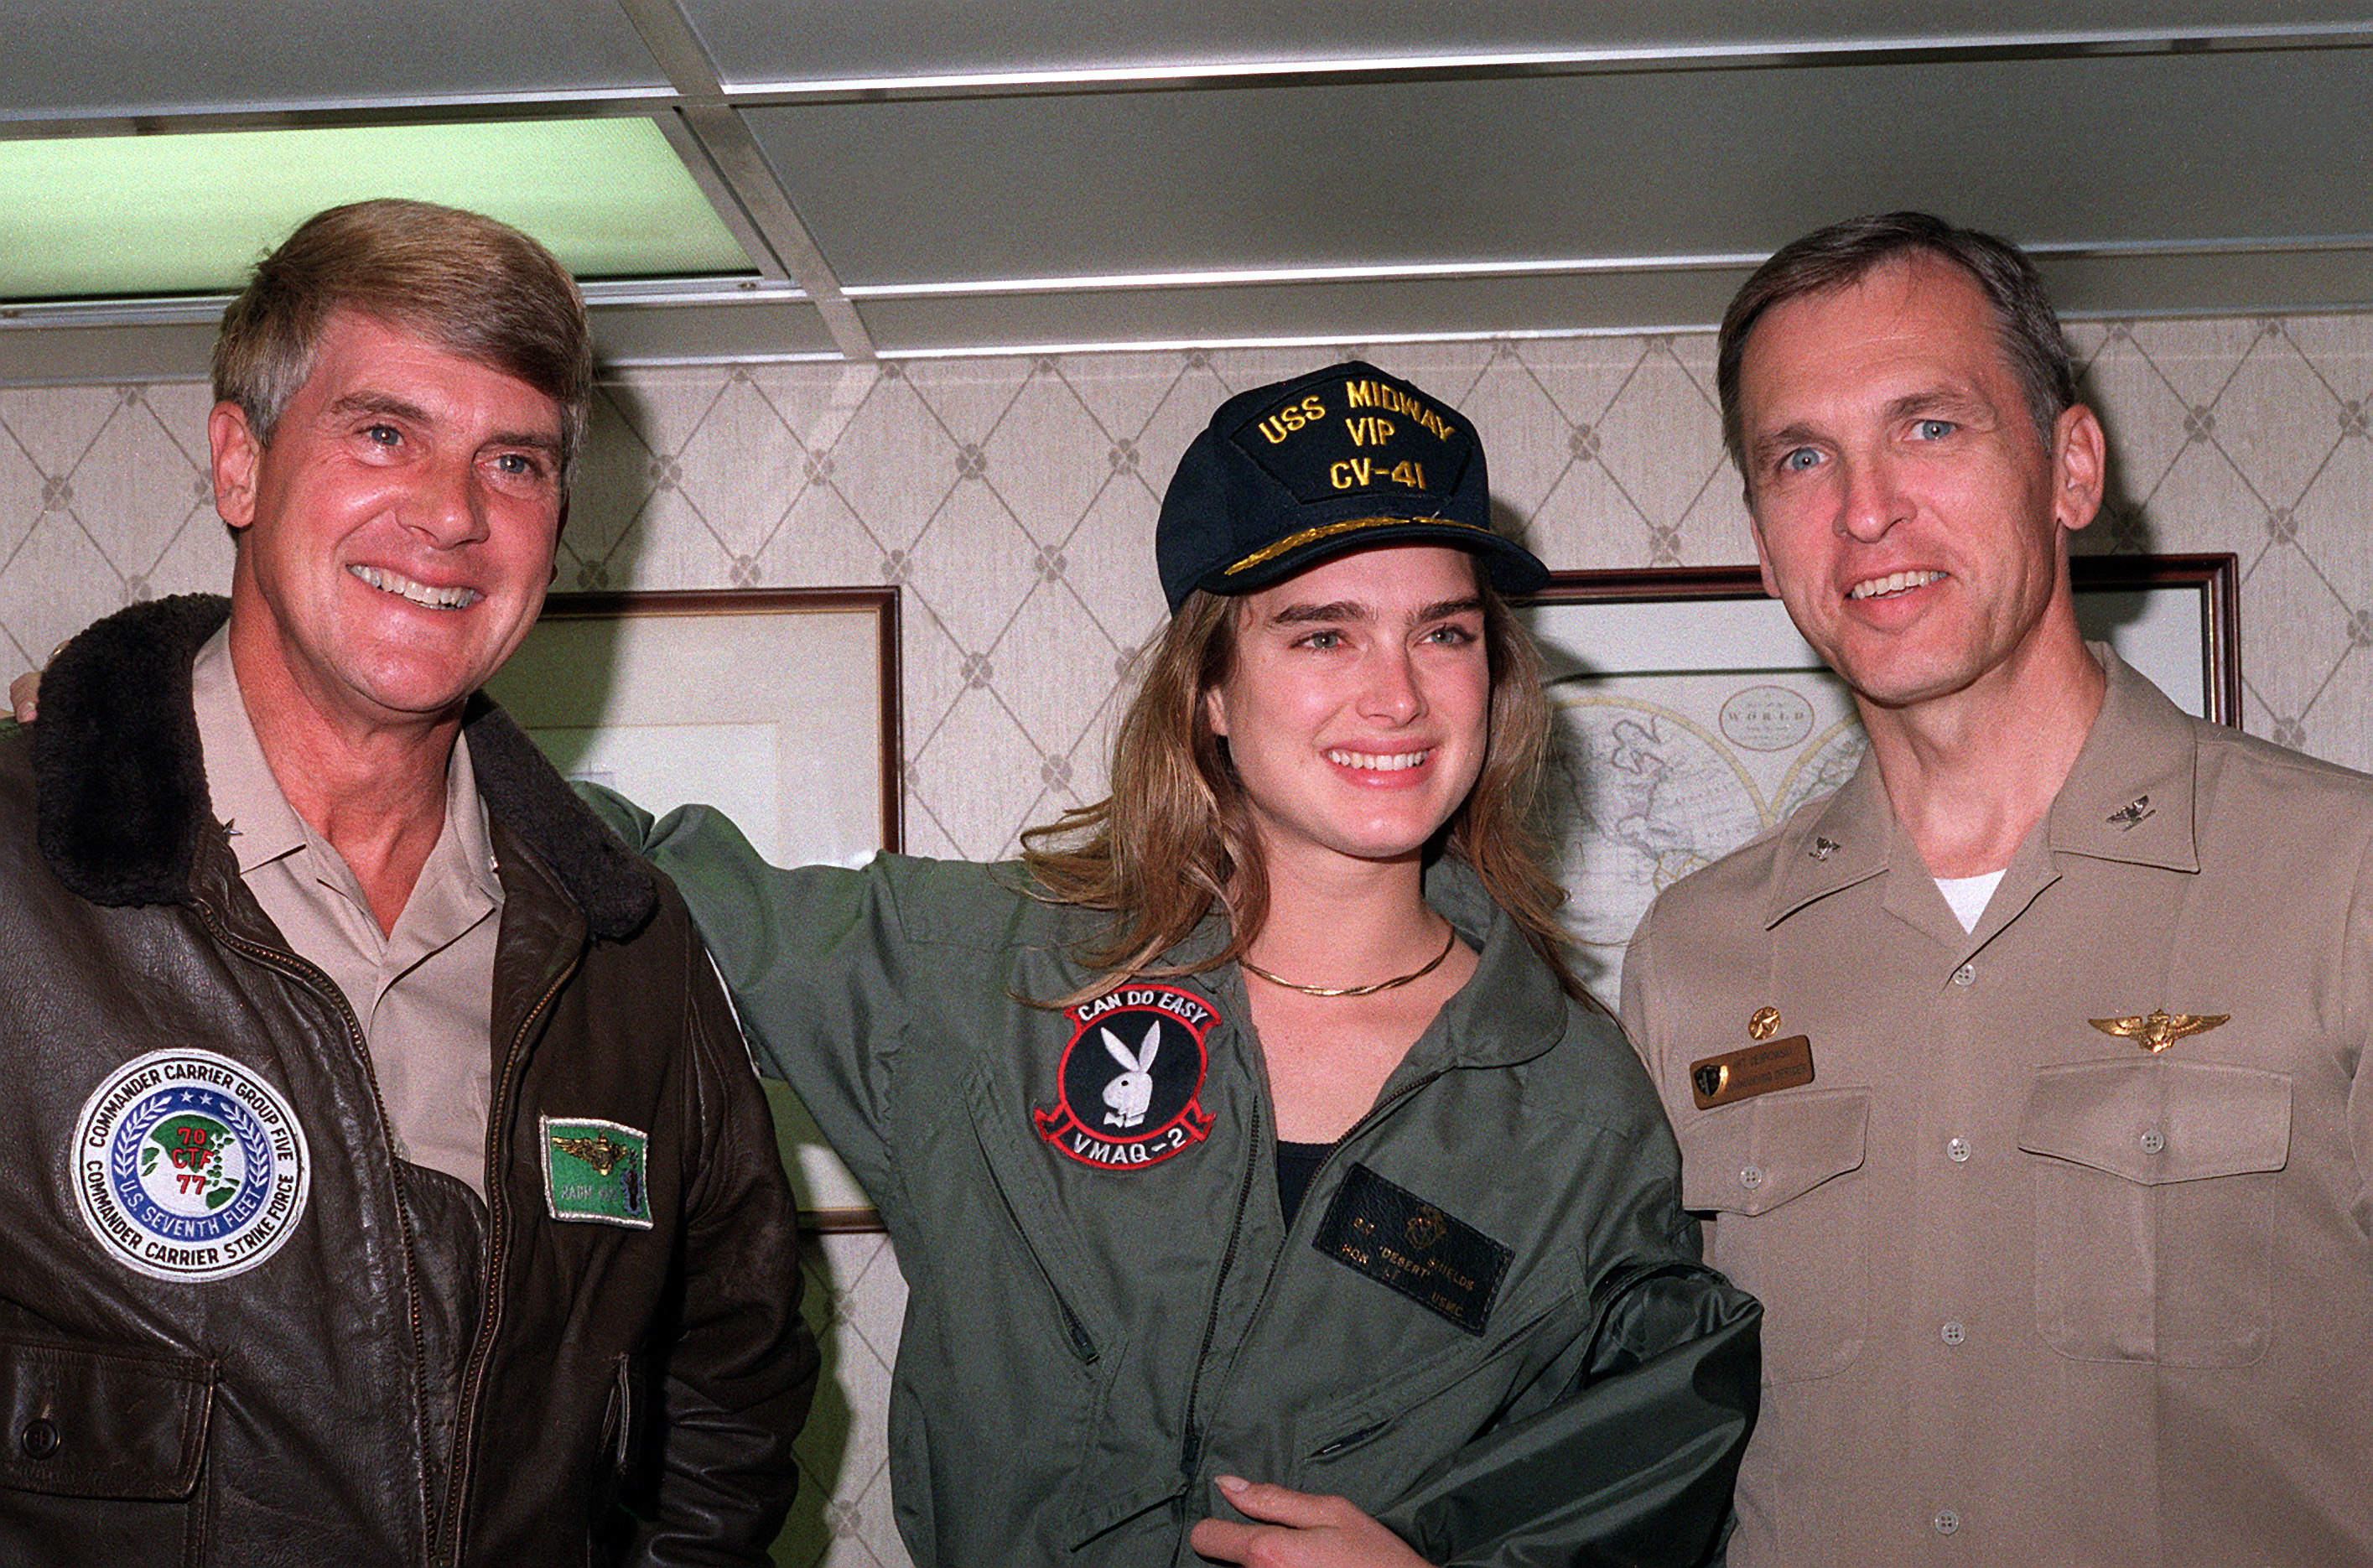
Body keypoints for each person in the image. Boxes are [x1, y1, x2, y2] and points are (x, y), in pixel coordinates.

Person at [591, 361, 1761, 1565]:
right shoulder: (981, 975)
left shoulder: (1572, 1100)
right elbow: (612, 886)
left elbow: (1652, 1455)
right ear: (1208, 687)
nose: (1398, 694)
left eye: (1443, 632)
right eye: (1322, 632)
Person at [0, 199, 814, 1565]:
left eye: (516, 462)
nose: (451, 514)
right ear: (240, 461)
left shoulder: (627, 953)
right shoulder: (22, 881)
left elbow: (722, 1396)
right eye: (384, 433)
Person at [1619, 210, 2373, 1565]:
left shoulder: (2341, 884)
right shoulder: (1694, 958)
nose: (1862, 511)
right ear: (1760, 530)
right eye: (1801, 455)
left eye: (1928, 427)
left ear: (2069, 466)